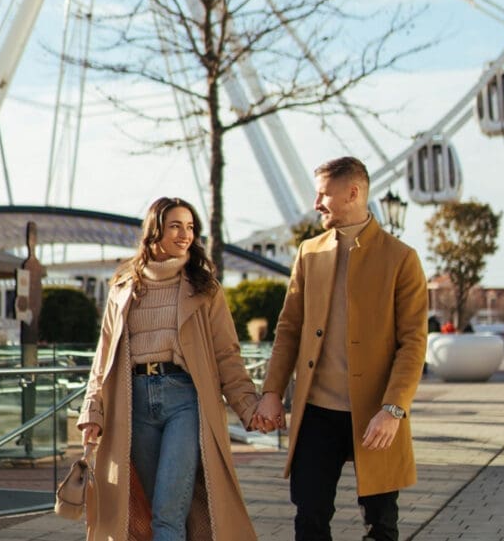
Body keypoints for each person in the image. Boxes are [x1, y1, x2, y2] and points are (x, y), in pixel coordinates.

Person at [253, 156, 428, 541]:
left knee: (381, 524)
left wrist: (393, 409)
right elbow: (289, 329)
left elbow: (413, 343)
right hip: (315, 411)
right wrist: (271, 392)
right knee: (309, 518)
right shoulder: (309, 252)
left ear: (352, 193)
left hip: (376, 412)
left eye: (323, 195)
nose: (316, 204)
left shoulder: (401, 259)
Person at [78, 196, 261, 541]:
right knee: (148, 509)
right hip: (133, 405)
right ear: (155, 230)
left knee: (168, 511)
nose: (185, 234)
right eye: (175, 226)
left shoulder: (204, 288)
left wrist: (248, 406)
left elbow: (227, 355)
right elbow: (103, 358)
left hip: (185, 402)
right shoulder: (123, 286)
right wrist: (92, 411)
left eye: (190, 227)